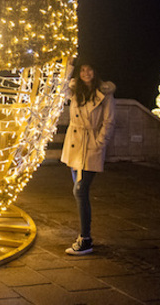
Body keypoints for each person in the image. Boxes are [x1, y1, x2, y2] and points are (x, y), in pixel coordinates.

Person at [59, 62, 116, 255]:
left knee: (80, 190)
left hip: (91, 146)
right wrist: (68, 65)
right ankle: (85, 236)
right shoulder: (75, 90)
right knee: (79, 191)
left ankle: (85, 239)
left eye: (90, 69)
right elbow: (60, 88)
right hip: (75, 144)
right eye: (82, 70)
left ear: (96, 71)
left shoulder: (105, 94)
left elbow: (109, 121)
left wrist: (99, 143)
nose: (86, 73)